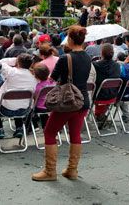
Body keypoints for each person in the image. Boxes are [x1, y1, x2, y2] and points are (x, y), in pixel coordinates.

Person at [32, 25, 91, 182]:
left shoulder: (66, 58)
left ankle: (50, 171)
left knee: (50, 132)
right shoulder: (87, 56)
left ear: (70, 39)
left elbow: (52, 78)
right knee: (75, 134)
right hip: (82, 100)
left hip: (67, 100)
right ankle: (72, 169)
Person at [0, 54, 37, 139]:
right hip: (24, 111)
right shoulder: (33, 76)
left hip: (5, 110)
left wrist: (15, 60)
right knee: (19, 101)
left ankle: (0, 129)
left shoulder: (12, 72)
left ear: (17, 62)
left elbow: (0, 62)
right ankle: (19, 128)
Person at [92, 44, 121, 120]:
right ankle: (100, 114)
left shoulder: (95, 65)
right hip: (113, 96)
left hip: (98, 97)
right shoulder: (117, 66)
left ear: (101, 53)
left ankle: (98, 114)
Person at [31, 63, 55, 129]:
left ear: (36, 76)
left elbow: (35, 99)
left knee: (31, 109)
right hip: (53, 105)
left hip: (41, 108)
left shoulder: (38, 87)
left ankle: (38, 127)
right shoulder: (53, 83)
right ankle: (50, 126)